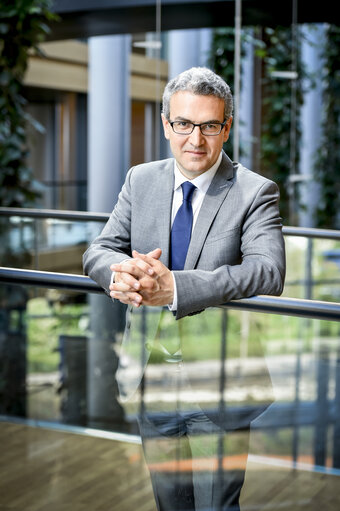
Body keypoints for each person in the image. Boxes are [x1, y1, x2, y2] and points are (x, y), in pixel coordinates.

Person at [83, 67, 286, 511]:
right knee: (169, 504)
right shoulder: (142, 179)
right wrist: (120, 271)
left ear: (226, 128)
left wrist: (175, 287)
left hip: (218, 382)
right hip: (150, 378)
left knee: (216, 506)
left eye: (209, 126)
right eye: (183, 124)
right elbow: (99, 249)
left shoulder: (255, 192)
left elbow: (268, 270)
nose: (195, 139)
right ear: (166, 124)